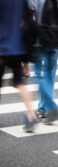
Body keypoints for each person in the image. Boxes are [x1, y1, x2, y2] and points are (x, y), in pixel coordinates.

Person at [0, 0, 38, 132]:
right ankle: (31, 115)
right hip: (18, 46)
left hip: (2, 46)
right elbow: (30, 13)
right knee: (20, 83)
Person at [27, 0, 58, 124]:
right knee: (50, 73)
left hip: (40, 38)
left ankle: (49, 106)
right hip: (55, 37)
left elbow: (29, 13)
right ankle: (45, 108)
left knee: (38, 73)